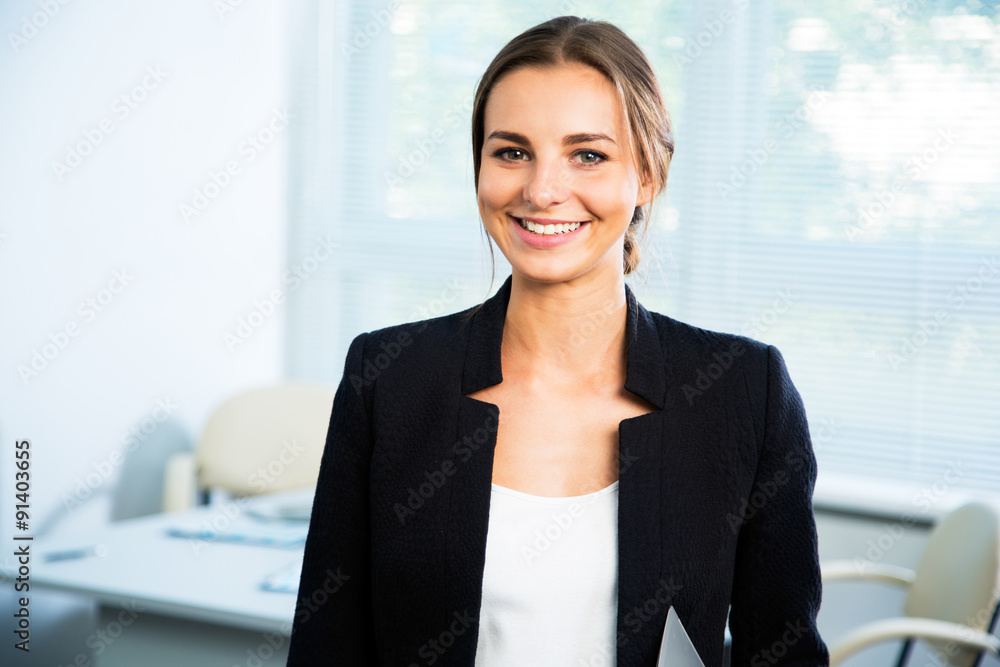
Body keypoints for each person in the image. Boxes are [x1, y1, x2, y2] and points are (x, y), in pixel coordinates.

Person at [287, 15, 828, 667]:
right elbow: (327, 645)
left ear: (648, 175)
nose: (542, 190)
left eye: (588, 154)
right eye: (511, 151)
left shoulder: (744, 391)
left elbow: (786, 653)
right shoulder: (388, 378)